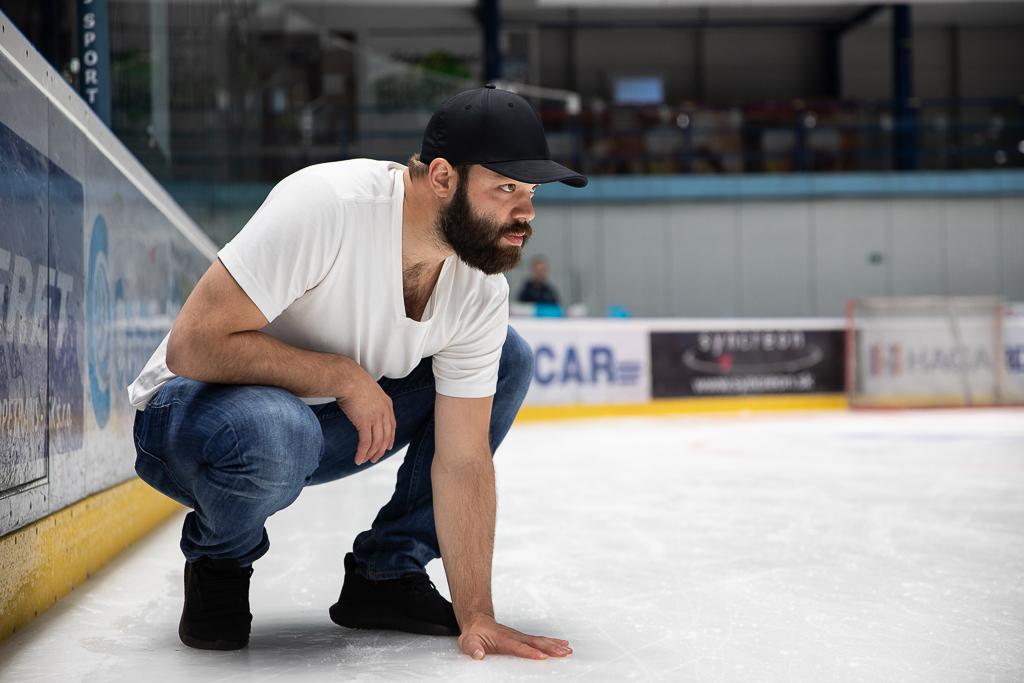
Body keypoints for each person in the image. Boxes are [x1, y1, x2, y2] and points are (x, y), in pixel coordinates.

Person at [126, 85, 587, 660]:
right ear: (443, 177)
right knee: (278, 429)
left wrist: (478, 615)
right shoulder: (329, 206)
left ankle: (386, 575)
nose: (527, 213)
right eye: (507, 189)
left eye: (532, 192)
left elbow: (463, 460)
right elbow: (191, 345)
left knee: (508, 356)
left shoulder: (478, 287)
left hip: (321, 428)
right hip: (192, 415)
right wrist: (342, 377)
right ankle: (220, 559)